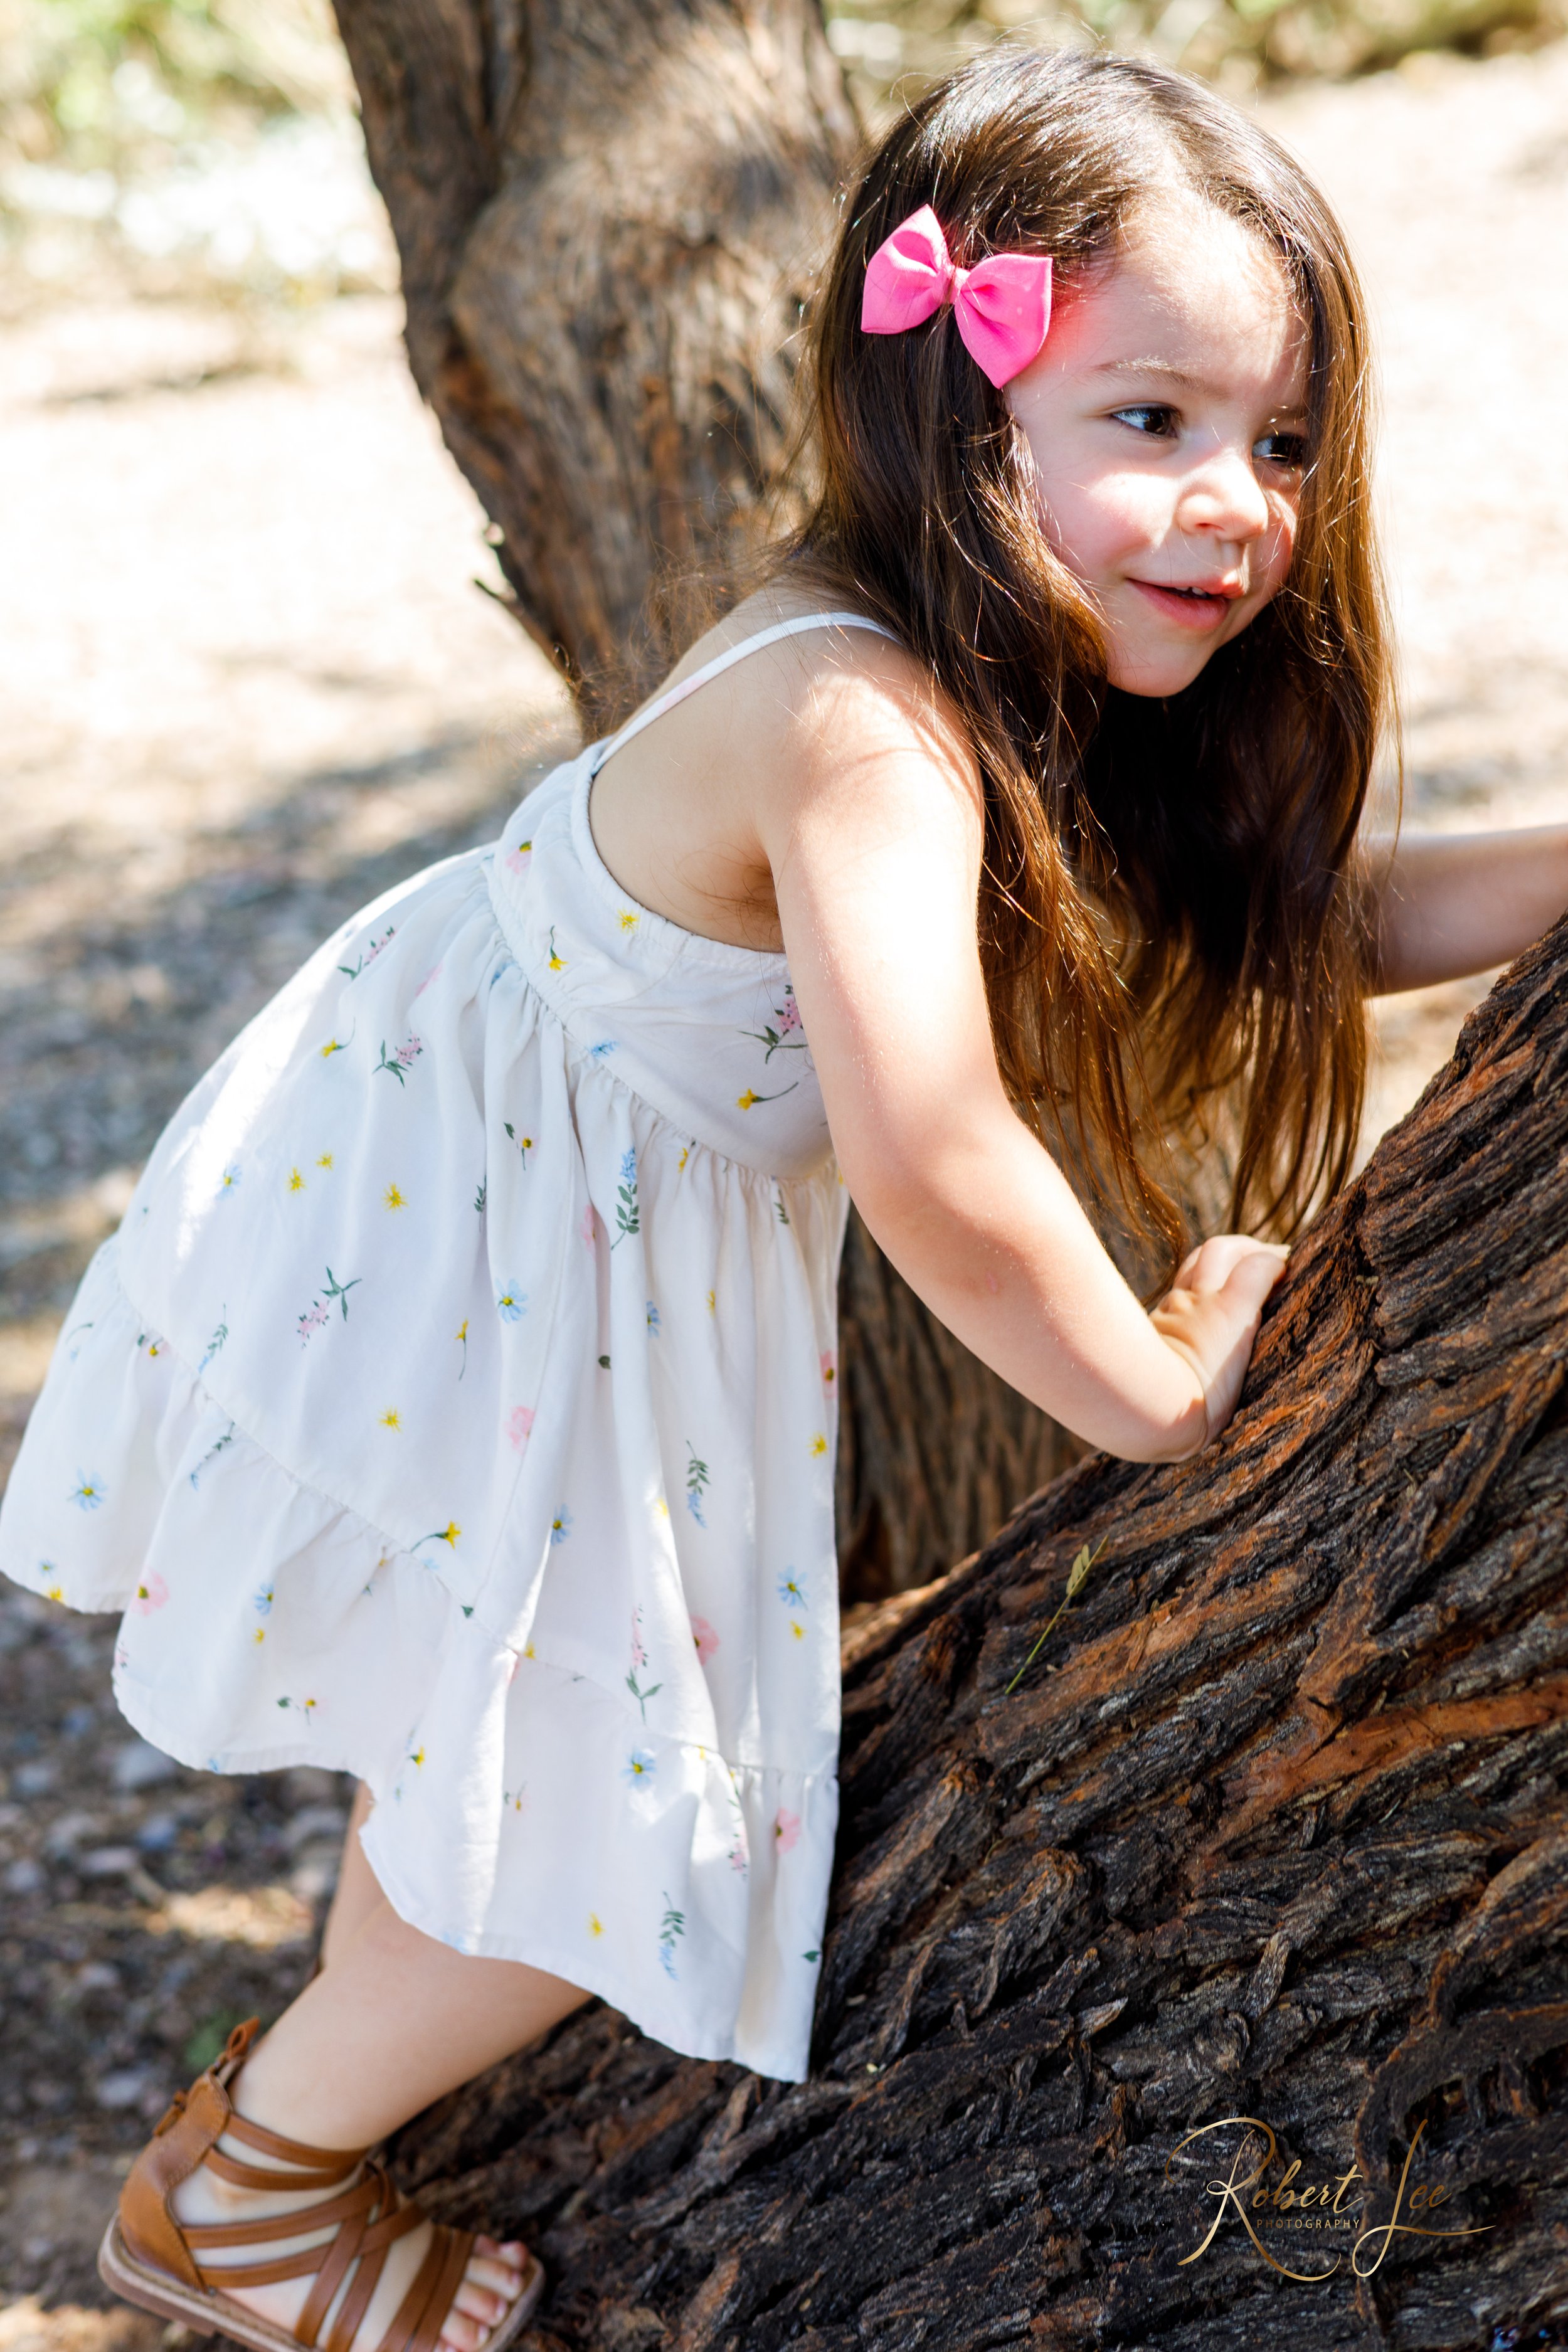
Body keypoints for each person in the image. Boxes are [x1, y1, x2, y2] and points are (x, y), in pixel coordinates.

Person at [5, 42, 1566, 2352]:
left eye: (1280, 440)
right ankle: (246, 2191)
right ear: (958, 408)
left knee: (521, 1730)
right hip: (512, 1234)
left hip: (521, 1190)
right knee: (611, 1796)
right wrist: (1152, 1390)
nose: (1232, 503)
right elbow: (937, 1159)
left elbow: (1300, 916)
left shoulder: (992, 688)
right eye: (1146, 422)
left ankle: (279, 2130)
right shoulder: (863, 725)